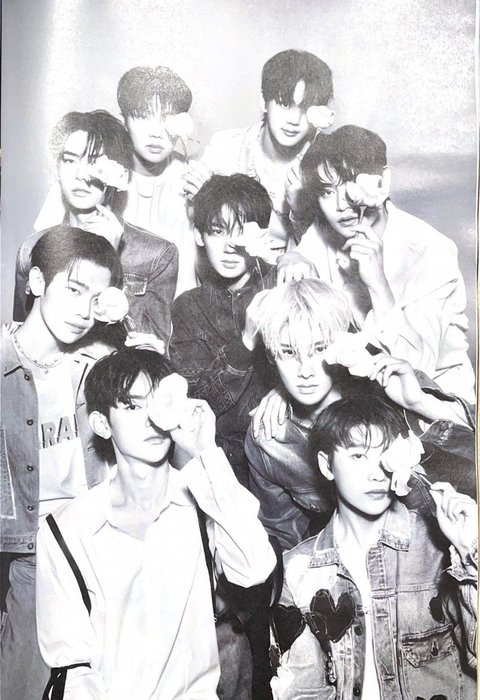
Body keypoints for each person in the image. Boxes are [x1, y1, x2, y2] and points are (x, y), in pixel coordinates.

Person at [35, 348, 276, 699]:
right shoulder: (66, 530)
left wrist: (206, 452)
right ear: (102, 424)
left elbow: (255, 567)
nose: (151, 419)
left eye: (158, 402)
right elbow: (72, 668)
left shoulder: (202, 504)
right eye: (132, 406)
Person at [270, 394, 477, 699]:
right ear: (327, 466)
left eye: (385, 455)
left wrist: (470, 553)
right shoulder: (296, 570)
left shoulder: (441, 550)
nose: (377, 473)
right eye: (358, 456)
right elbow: (304, 690)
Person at [244, 279, 476, 551]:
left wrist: (419, 403)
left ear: (340, 343)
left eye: (319, 349)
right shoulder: (270, 440)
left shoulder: (388, 383)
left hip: (447, 552)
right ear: (272, 356)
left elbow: (471, 456)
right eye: (288, 352)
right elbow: (284, 538)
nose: (305, 371)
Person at [1, 227, 123, 699]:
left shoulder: (99, 367)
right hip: (33, 552)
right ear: (36, 282)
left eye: (96, 299)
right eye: (73, 289)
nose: (83, 310)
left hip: (100, 543)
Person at [280, 124, 475, 402]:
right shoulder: (325, 231)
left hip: (434, 404)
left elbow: (418, 371)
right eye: (327, 192)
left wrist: (378, 285)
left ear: (383, 181)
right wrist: (292, 258)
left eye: (350, 187)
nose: (340, 205)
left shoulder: (431, 251)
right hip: (357, 394)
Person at [14, 110, 178, 343]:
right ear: (57, 169)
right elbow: (21, 338)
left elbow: (151, 353)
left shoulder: (157, 255)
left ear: (121, 174)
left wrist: (111, 262)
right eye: (69, 160)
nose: (81, 175)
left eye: (94, 162)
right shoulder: (31, 249)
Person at [170, 173, 278, 488]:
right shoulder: (189, 307)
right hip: (221, 466)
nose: (230, 246)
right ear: (199, 235)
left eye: (241, 232)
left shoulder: (282, 285)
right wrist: (245, 343)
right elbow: (197, 405)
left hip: (285, 456)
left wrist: (285, 393)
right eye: (218, 231)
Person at [185, 49, 335, 253]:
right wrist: (201, 201)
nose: (294, 120)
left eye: (305, 109)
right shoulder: (225, 148)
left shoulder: (326, 164)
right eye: (285, 104)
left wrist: (300, 213)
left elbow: (329, 249)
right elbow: (194, 230)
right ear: (263, 102)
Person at [117, 65, 198, 295]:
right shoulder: (99, 170)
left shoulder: (190, 178)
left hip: (177, 307)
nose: (156, 133)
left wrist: (206, 210)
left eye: (166, 119)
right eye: (143, 117)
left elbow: (194, 277)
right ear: (123, 121)